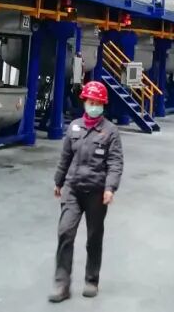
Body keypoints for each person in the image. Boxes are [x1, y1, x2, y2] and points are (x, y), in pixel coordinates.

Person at [50, 81, 124, 303]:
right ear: (84, 102)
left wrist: (110, 188)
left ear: (103, 105)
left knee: (94, 237)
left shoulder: (110, 131)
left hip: (96, 192)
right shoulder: (74, 127)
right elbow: (65, 157)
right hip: (73, 188)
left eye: (97, 103)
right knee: (65, 232)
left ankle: (92, 280)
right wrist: (58, 181)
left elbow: (115, 163)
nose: (93, 106)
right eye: (90, 102)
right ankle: (61, 284)